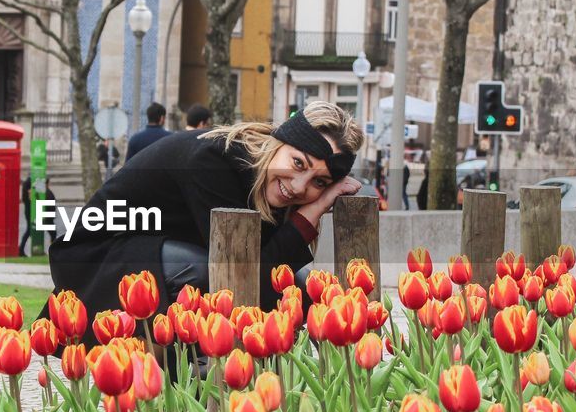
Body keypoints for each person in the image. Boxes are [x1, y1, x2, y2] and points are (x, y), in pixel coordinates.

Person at [45, 101, 362, 349]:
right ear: (280, 141)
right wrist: (314, 210)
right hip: (97, 260)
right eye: (297, 164)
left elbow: (262, 275)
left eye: (319, 182)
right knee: (204, 273)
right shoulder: (215, 161)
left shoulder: (266, 179)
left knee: (304, 286)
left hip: (151, 255)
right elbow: (243, 283)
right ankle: (184, 381)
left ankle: (334, 396)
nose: (298, 186)